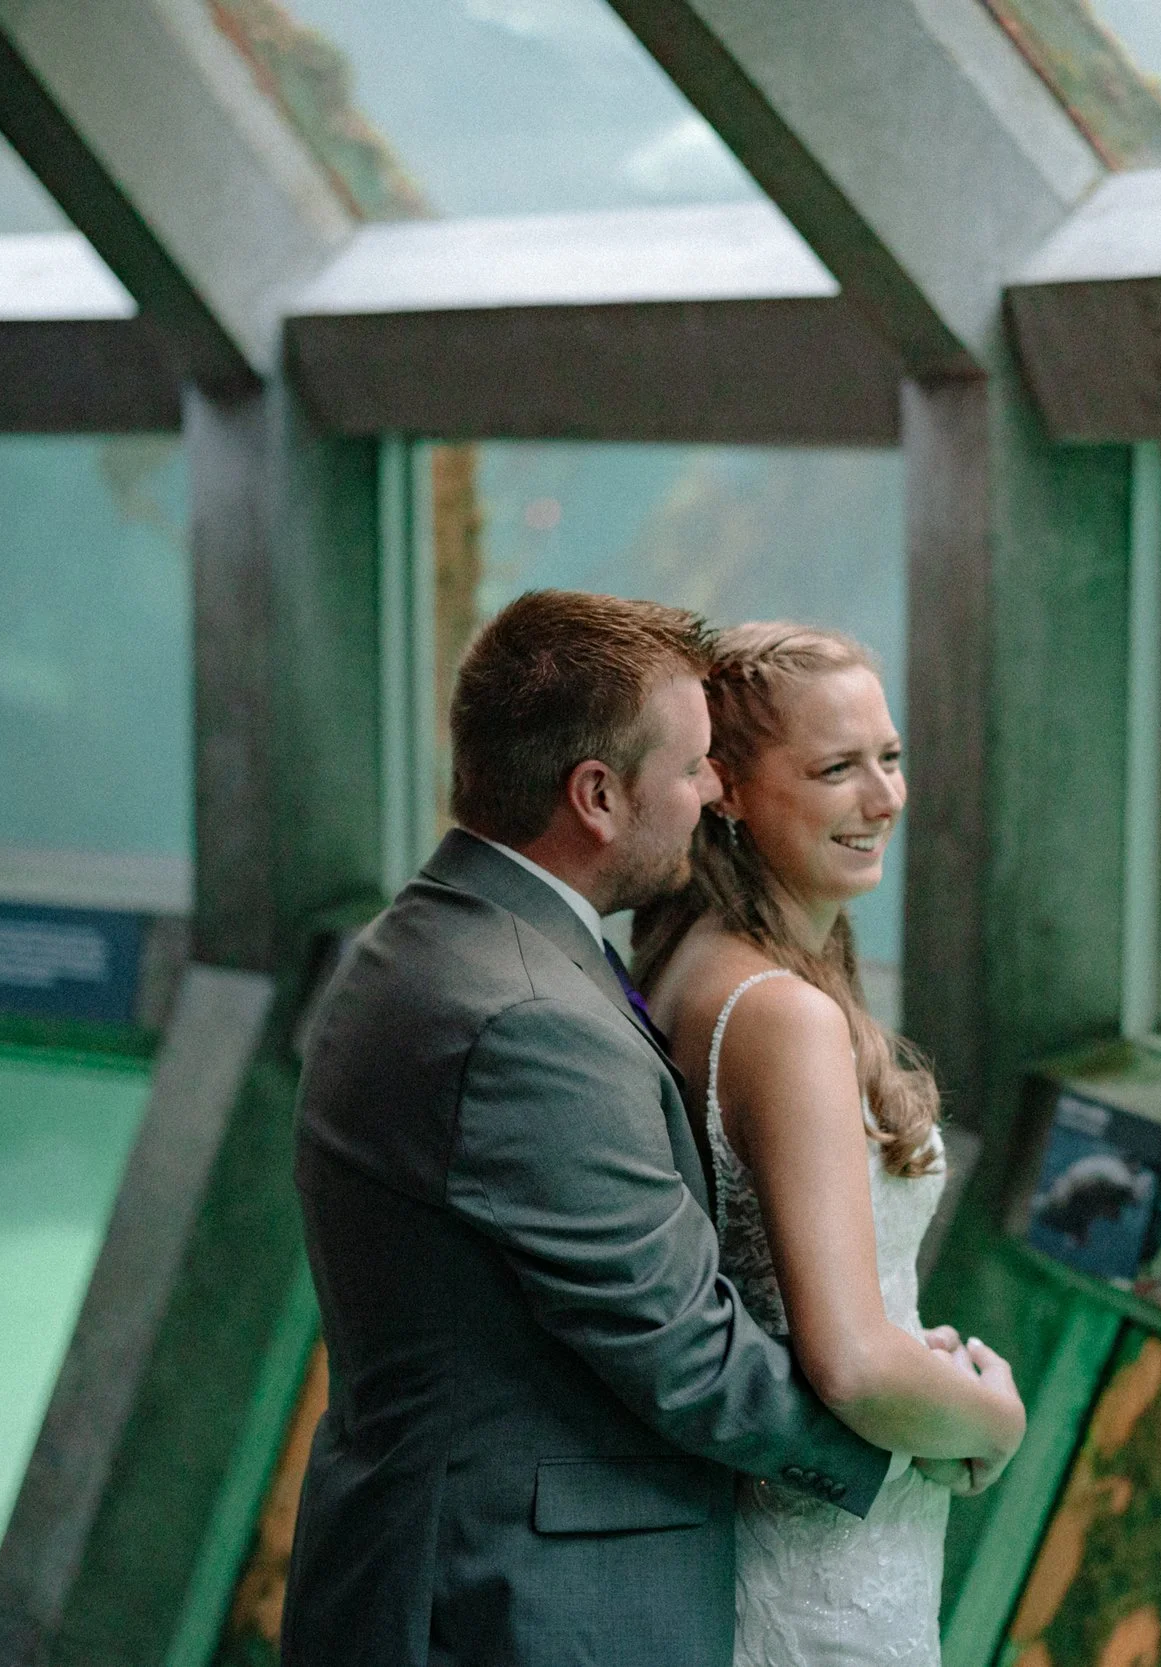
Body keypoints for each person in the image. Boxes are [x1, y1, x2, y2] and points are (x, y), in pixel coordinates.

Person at [283, 592, 900, 1667]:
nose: (713, 794)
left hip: (429, 1564)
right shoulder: (529, 1018)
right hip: (520, 1606)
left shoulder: (430, 940)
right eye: (696, 765)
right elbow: (681, 1350)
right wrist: (902, 1455)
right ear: (599, 795)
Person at [634, 623, 1026, 1667]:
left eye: (889, 757)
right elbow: (849, 1362)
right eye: (835, 768)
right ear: (727, 787)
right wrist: (993, 1420)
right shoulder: (781, 1015)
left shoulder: (692, 959)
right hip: (821, 1568)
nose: (885, 797)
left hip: (787, 1535)